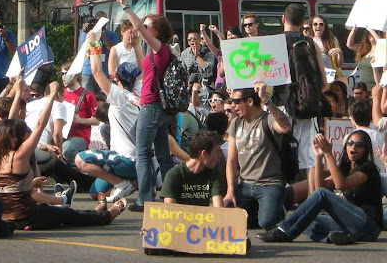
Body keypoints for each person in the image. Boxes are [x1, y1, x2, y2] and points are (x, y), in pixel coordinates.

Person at [0, 81, 126, 230]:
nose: (27, 134)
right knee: (67, 214)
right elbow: (40, 124)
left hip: (8, 216)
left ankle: (95, 212)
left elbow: (13, 190)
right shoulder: (20, 155)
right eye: (25, 133)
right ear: (15, 137)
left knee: (65, 213)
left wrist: (18, 92)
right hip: (28, 216)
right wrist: (53, 95)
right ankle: (107, 215)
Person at [257, 131, 382, 245]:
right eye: (350, 143)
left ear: (366, 149)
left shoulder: (368, 168)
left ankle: (283, 231)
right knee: (305, 216)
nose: (353, 147)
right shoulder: (345, 169)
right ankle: (331, 238)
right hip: (351, 226)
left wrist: (328, 153)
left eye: (359, 145)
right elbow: (319, 188)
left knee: (314, 203)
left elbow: (340, 185)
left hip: (368, 226)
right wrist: (319, 157)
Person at [114, 0, 176, 212]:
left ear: (156, 32)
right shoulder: (156, 51)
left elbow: (138, 27)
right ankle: (171, 193)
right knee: (162, 153)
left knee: (142, 153)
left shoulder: (160, 49)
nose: (141, 28)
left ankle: (145, 199)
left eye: (147, 26)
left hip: (152, 107)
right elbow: (142, 67)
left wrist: (125, 6)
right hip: (154, 106)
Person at [75, 31, 141, 202]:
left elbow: (97, 71)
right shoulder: (140, 91)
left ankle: (121, 183)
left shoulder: (120, 96)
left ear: (117, 78)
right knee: (96, 193)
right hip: (135, 159)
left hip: (126, 160)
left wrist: (93, 43)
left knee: (80, 160)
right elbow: (143, 70)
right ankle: (133, 182)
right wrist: (136, 45)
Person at [272, 3, 327, 194]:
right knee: (311, 158)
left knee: (277, 153)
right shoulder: (311, 44)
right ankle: (315, 199)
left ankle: (278, 198)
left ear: (282, 19)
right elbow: (324, 82)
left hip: (280, 107)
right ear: (304, 22)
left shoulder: (273, 43)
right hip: (306, 106)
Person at [224, 81, 291, 230]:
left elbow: (286, 127)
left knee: (267, 223)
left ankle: (278, 207)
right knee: (234, 222)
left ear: (249, 101)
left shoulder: (268, 119)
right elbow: (231, 160)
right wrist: (230, 191)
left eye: (236, 102)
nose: (233, 106)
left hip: (269, 184)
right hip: (244, 185)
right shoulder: (236, 123)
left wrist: (266, 101)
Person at [161, 130, 224, 206]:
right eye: (217, 151)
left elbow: (219, 209)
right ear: (204, 153)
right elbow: (169, 211)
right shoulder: (174, 175)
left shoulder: (214, 173)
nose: (220, 156)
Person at [61, 62, 99, 167]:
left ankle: (81, 171)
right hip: (61, 135)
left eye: (67, 74)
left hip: (79, 136)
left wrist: (81, 120)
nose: (64, 77)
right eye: (62, 74)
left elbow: (97, 120)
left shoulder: (88, 95)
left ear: (76, 75)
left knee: (67, 149)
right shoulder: (60, 94)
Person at [81, 11, 119, 94]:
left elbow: (112, 49)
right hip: (88, 71)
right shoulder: (88, 33)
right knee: (88, 97)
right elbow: (84, 50)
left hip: (104, 72)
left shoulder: (112, 34)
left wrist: (102, 34)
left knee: (103, 97)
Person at [181, 30, 215, 100]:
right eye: (189, 39)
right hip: (190, 90)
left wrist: (197, 56)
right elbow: (183, 72)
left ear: (200, 39)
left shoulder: (208, 53)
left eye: (194, 38)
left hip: (206, 89)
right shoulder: (184, 54)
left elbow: (208, 69)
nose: (192, 41)